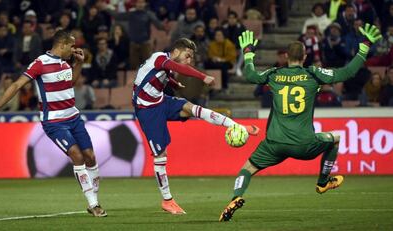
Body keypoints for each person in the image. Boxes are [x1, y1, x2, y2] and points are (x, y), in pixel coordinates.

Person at [219, 24, 381, 222]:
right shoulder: (313, 74)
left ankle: (236, 196)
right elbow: (346, 73)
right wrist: (364, 47)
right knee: (335, 139)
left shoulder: (275, 74)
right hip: (304, 145)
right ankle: (323, 182)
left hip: (274, 144)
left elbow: (251, 75)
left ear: (286, 57)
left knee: (247, 169)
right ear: (305, 57)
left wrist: (248, 52)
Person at [0, 30, 107, 217]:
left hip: (73, 117)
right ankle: (94, 203)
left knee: (90, 157)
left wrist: (79, 64)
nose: (74, 49)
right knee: (77, 156)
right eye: (71, 46)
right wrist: (0, 102)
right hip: (55, 122)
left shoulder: (65, 63)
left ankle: (94, 200)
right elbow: (17, 84)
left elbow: (69, 82)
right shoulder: (40, 63)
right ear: (62, 44)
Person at [133, 38, 259, 215]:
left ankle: (237, 125)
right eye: (187, 56)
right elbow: (178, 68)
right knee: (161, 155)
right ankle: (167, 200)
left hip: (161, 101)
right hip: (147, 110)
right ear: (176, 51)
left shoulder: (164, 64)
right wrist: (203, 76)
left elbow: (157, 75)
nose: (189, 61)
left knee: (194, 109)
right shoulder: (159, 58)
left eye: (191, 58)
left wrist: (174, 83)